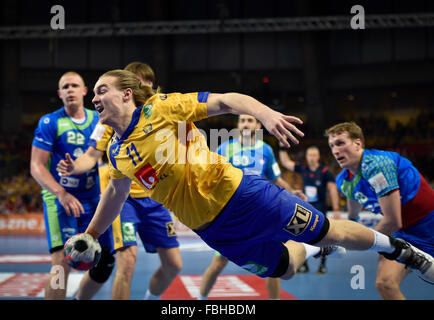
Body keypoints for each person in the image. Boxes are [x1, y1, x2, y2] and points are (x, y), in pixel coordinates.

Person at [65, 69, 434, 287]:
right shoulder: (115, 151)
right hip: (212, 230)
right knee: (284, 269)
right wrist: (92, 234)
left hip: (243, 195)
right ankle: (307, 248)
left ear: (127, 94)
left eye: (101, 90)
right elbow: (115, 191)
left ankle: (401, 250)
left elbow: (226, 100)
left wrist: (266, 115)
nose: (94, 98)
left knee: (329, 231)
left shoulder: (162, 109)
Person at [57, 62, 182, 300]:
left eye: (141, 85)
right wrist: (75, 167)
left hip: (156, 198)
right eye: (131, 84)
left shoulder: (164, 112)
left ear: (150, 88)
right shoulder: (108, 121)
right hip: (122, 199)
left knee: (173, 265)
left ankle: (151, 297)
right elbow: (91, 155)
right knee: (127, 259)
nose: (136, 90)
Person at [198, 114, 304, 300]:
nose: (245, 123)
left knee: (274, 263)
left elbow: (275, 178)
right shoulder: (224, 148)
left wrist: (292, 192)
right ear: (237, 125)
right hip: (232, 215)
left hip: (262, 214)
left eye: (250, 120)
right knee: (218, 263)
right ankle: (201, 299)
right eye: (242, 120)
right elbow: (211, 180)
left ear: (257, 126)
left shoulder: (266, 150)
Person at [30, 71, 115, 300]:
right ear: (59, 93)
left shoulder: (99, 120)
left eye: (74, 85)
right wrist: (61, 193)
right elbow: (36, 166)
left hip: (92, 199)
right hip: (60, 199)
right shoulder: (50, 122)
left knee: (105, 261)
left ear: (84, 91)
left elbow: (97, 155)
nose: (70, 90)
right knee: (61, 262)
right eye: (65, 87)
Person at [325, 122, 434, 299]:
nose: (335, 151)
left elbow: (392, 221)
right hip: (403, 234)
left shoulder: (378, 165)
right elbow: (353, 211)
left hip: (430, 225)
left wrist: (355, 241)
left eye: (340, 143)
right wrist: (345, 230)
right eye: (331, 146)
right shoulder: (343, 180)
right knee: (385, 284)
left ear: (358, 143)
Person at [279, 145, 341, 274]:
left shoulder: (325, 172)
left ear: (318, 157)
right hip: (305, 208)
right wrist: (282, 147)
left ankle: (322, 265)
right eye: (309, 155)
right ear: (306, 157)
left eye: (314, 155)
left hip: (321, 209)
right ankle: (304, 265)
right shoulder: (303, 168)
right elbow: (285, 162)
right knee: (302, 236)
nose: (312, 158)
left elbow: (332, 189)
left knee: (324, 237)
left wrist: (336, 208)